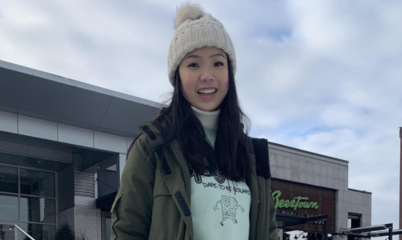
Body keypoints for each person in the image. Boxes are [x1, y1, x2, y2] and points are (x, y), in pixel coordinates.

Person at [111, 3, 277, 240]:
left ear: (229, 73)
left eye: (218, 63)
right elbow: (127, 231)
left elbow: (268, 232)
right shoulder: (154, 147)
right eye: (193, 64)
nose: (207, 75)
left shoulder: (252, 154)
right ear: (177, 75)